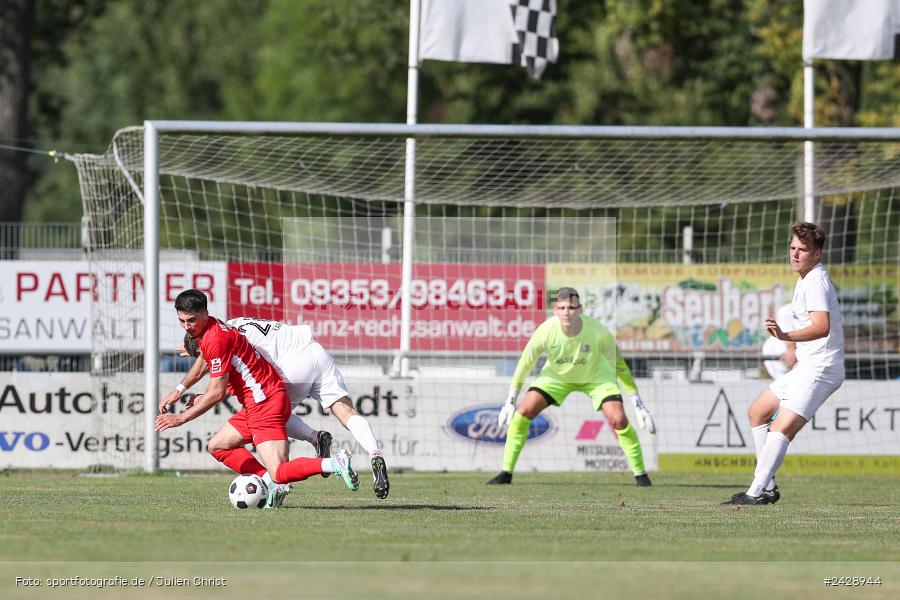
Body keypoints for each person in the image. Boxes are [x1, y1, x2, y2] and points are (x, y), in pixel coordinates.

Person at [155, 289, 360, 508]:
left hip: (264, 404)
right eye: (182, 321)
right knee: (218, 446)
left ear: (205, 313)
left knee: (280, 472)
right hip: (261, 401)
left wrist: (180, 419)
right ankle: (268, 482)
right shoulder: (212, 329)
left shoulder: (215, 338)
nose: (186, 326)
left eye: (191, 320)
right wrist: (180, 388)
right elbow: (204, 360)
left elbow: (217, 393)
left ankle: (335, 463)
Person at [487, 287, 657, 487]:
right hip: (556, 377)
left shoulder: (599, 332)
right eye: (562, 307)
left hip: (596, 377)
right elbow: (525, 364)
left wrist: (637, 402)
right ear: (555, 310)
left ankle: (641, 475)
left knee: (619, 419)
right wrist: (511, 400)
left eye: (571, 307)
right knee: (523, 412)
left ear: (580, 309)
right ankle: (506, 473)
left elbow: (620, 366)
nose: (567, 312)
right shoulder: (545, 331)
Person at [725, 222, 844, 505]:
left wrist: (785, 335)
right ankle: (766, 487)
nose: (795, 254)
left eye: (802, 250)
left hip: (821, 369)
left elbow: (822, 326)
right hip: (808, 365)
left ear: (817, 254)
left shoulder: (815, 281)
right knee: (758, 412)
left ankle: (756, 492)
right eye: (792, 248)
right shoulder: (805, 278)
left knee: (781, 429)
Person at [761, 303, 796, 379]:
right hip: (781, 364)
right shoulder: (786, 310)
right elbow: (787, 334)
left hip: (793, 363)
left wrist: (793, 353)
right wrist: (792, 351)